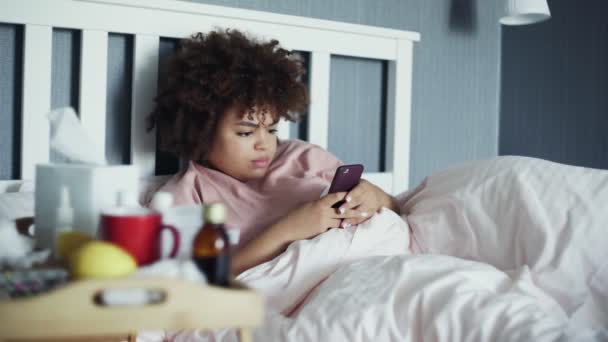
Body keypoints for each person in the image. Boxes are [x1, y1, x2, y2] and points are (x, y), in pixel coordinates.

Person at [148, 29, 399, 275]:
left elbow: (396, 209)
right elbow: (198, 283)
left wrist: (376, 197)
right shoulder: (186, 196)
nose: (264, 144)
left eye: (271, 130)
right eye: (246, 133)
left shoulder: (304, 157)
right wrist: (288, 230)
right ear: (200, 130)